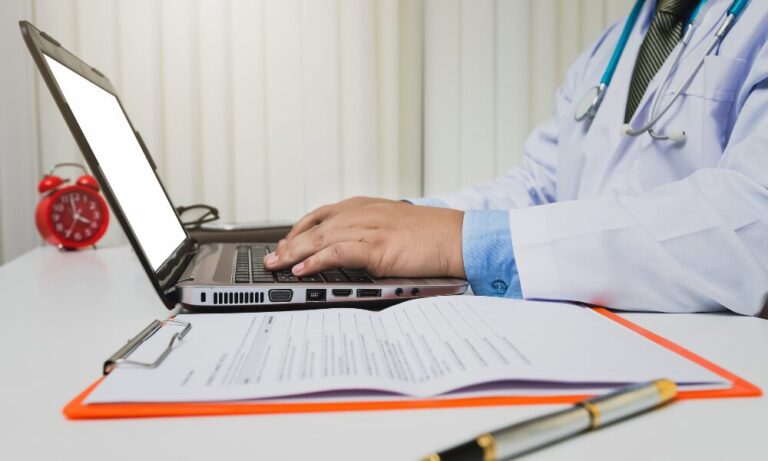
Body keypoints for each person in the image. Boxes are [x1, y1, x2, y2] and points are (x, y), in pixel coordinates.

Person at [265, 0, 768, 317]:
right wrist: (400, 221)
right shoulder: (619, 39)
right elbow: (541, 184)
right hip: (595, 328)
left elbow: (750, 222)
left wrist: (456, 242)